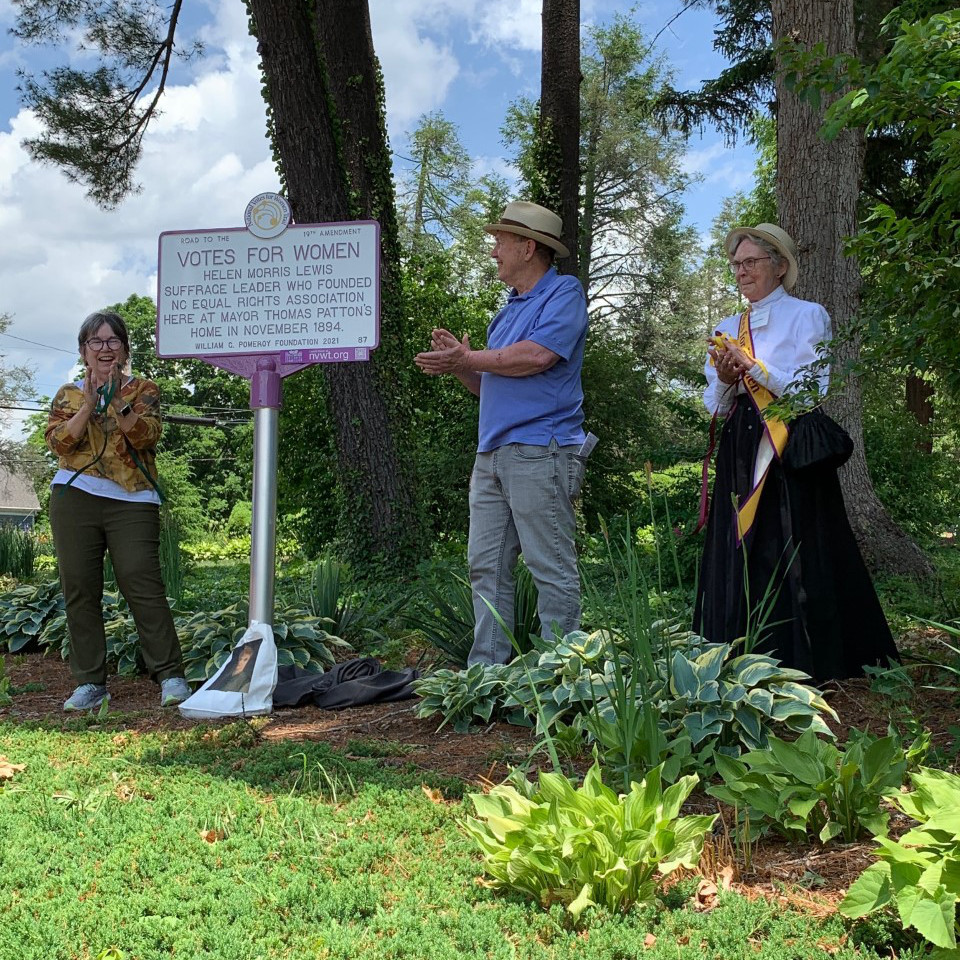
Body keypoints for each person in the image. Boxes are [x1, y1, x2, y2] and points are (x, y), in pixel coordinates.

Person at [694, 223, 899, 682]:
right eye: (736, 264)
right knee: (742, 543)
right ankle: (738, 654)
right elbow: (714, 403)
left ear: (780, 266)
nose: (742, 272)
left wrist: (755, 367)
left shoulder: (808, 315)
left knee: (792, 541)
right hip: (741, 445)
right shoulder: (726, 328)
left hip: (788, 443)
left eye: (751, 262)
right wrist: (728, 380)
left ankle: (805, 660)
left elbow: (811, 391)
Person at [415, 200, 590, 666]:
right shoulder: (507, 311)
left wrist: (470, 359)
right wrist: (458, 365)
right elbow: (488, 385)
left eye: (500, 242)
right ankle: (486, 676)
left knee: (549, 566)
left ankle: (560, 674)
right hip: (491, 452)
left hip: (541, 450)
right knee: (485, 567)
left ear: (528, 247)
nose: (494, 252)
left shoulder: (564, 294)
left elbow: (537, 358)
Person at [46, 310, 191, 711]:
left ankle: (171, 676)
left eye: (113, 341)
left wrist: (117, 404)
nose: (105, 348)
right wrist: (88, 405)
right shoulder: (67, 394)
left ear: (125, 349)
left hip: (134, 499)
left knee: (141, 584)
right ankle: (90, 683)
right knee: (79, 588)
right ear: (83, 351)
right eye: (97, 342)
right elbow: (58, 443)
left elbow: (147, 437)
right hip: (75, 497)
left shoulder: (144, 389)